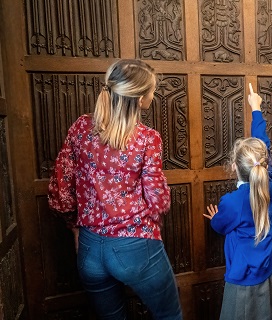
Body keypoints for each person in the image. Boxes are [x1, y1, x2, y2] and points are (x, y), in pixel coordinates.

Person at [48, 59, 182, 320]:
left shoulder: (81, 127)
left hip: (89, 250)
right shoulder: (147, 138)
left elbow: (61, 191)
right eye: (152, 91)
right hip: (136, 245)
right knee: (169, 315)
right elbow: (158, 199)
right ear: (142, 98)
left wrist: (76, 228)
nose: (153, 96)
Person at [203, 83, 272, 320]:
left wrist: (214, 218)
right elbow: (264, 147)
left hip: (243, 276)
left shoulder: (232, 202)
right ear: (264, 164)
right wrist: (256, 110)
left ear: (232, 167)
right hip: (270, 266)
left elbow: (220, 225)